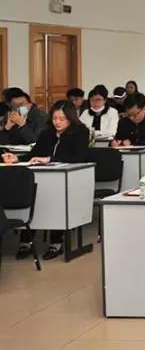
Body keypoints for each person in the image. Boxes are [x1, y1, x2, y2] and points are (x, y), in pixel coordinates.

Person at [3, 101, 90, 261]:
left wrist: (49, 159)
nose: (57, 122)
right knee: (32, 197)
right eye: (55, 118)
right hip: (42, 178)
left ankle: (56, 241)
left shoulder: (80, 132)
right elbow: (34, 154)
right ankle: (27, 241)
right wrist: (17, 159)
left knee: (56, 201)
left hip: (68, 179)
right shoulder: (47, 133)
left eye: (62, 119)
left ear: (71, 118)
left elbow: (78, 157)